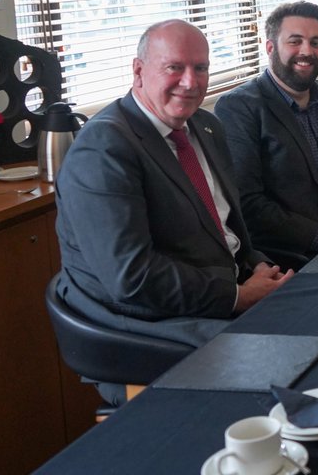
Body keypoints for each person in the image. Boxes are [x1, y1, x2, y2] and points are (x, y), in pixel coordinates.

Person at [54, 20, 292, 362]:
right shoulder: (103, 150)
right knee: (291, 358)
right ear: (138, 71)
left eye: (200, 68)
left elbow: (225, 230)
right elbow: (132, 278)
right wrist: (237, 297)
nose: (190, 82)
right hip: (152, 324)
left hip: (226, 287)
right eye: (174, 67)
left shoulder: (206, 126)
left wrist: (259, 268)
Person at [214, 1, 318, 266]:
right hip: (293, 257)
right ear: (271, 48)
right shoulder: (239, 107)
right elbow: (247, 202)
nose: (307, 51)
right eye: (295, 42)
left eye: (316, 42)